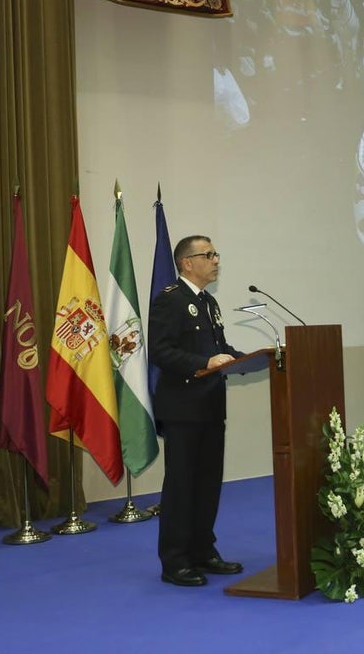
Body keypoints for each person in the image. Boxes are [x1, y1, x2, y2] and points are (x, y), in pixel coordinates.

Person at [149, 235, 245, 587]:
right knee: (181, 485)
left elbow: (219, 348)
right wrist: (204, 361)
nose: (216, 260)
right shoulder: (170, 301)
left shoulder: (209, 303)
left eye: (216, 254)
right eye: (209, 254)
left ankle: (203, 550)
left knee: (207, 484)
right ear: (187, 262)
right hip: (182, 408)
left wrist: (244, 358)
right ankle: (175, 561)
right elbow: (161, 351)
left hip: (209, 406)